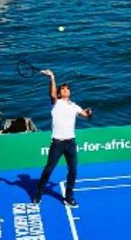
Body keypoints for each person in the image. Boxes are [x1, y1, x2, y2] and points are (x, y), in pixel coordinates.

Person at [32, 69, 92, 207]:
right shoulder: (56, 103)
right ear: (59, 93)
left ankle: (69, 197)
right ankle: (39, 192)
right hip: (57, 143)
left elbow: (86, 116)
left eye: (67, 89)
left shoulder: (74, 106)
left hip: (71, 142)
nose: (66, 90)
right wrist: (52, 77)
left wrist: (88, 113)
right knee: (48, 169)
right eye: (63, 89)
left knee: (73, 170)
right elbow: (52, 93)